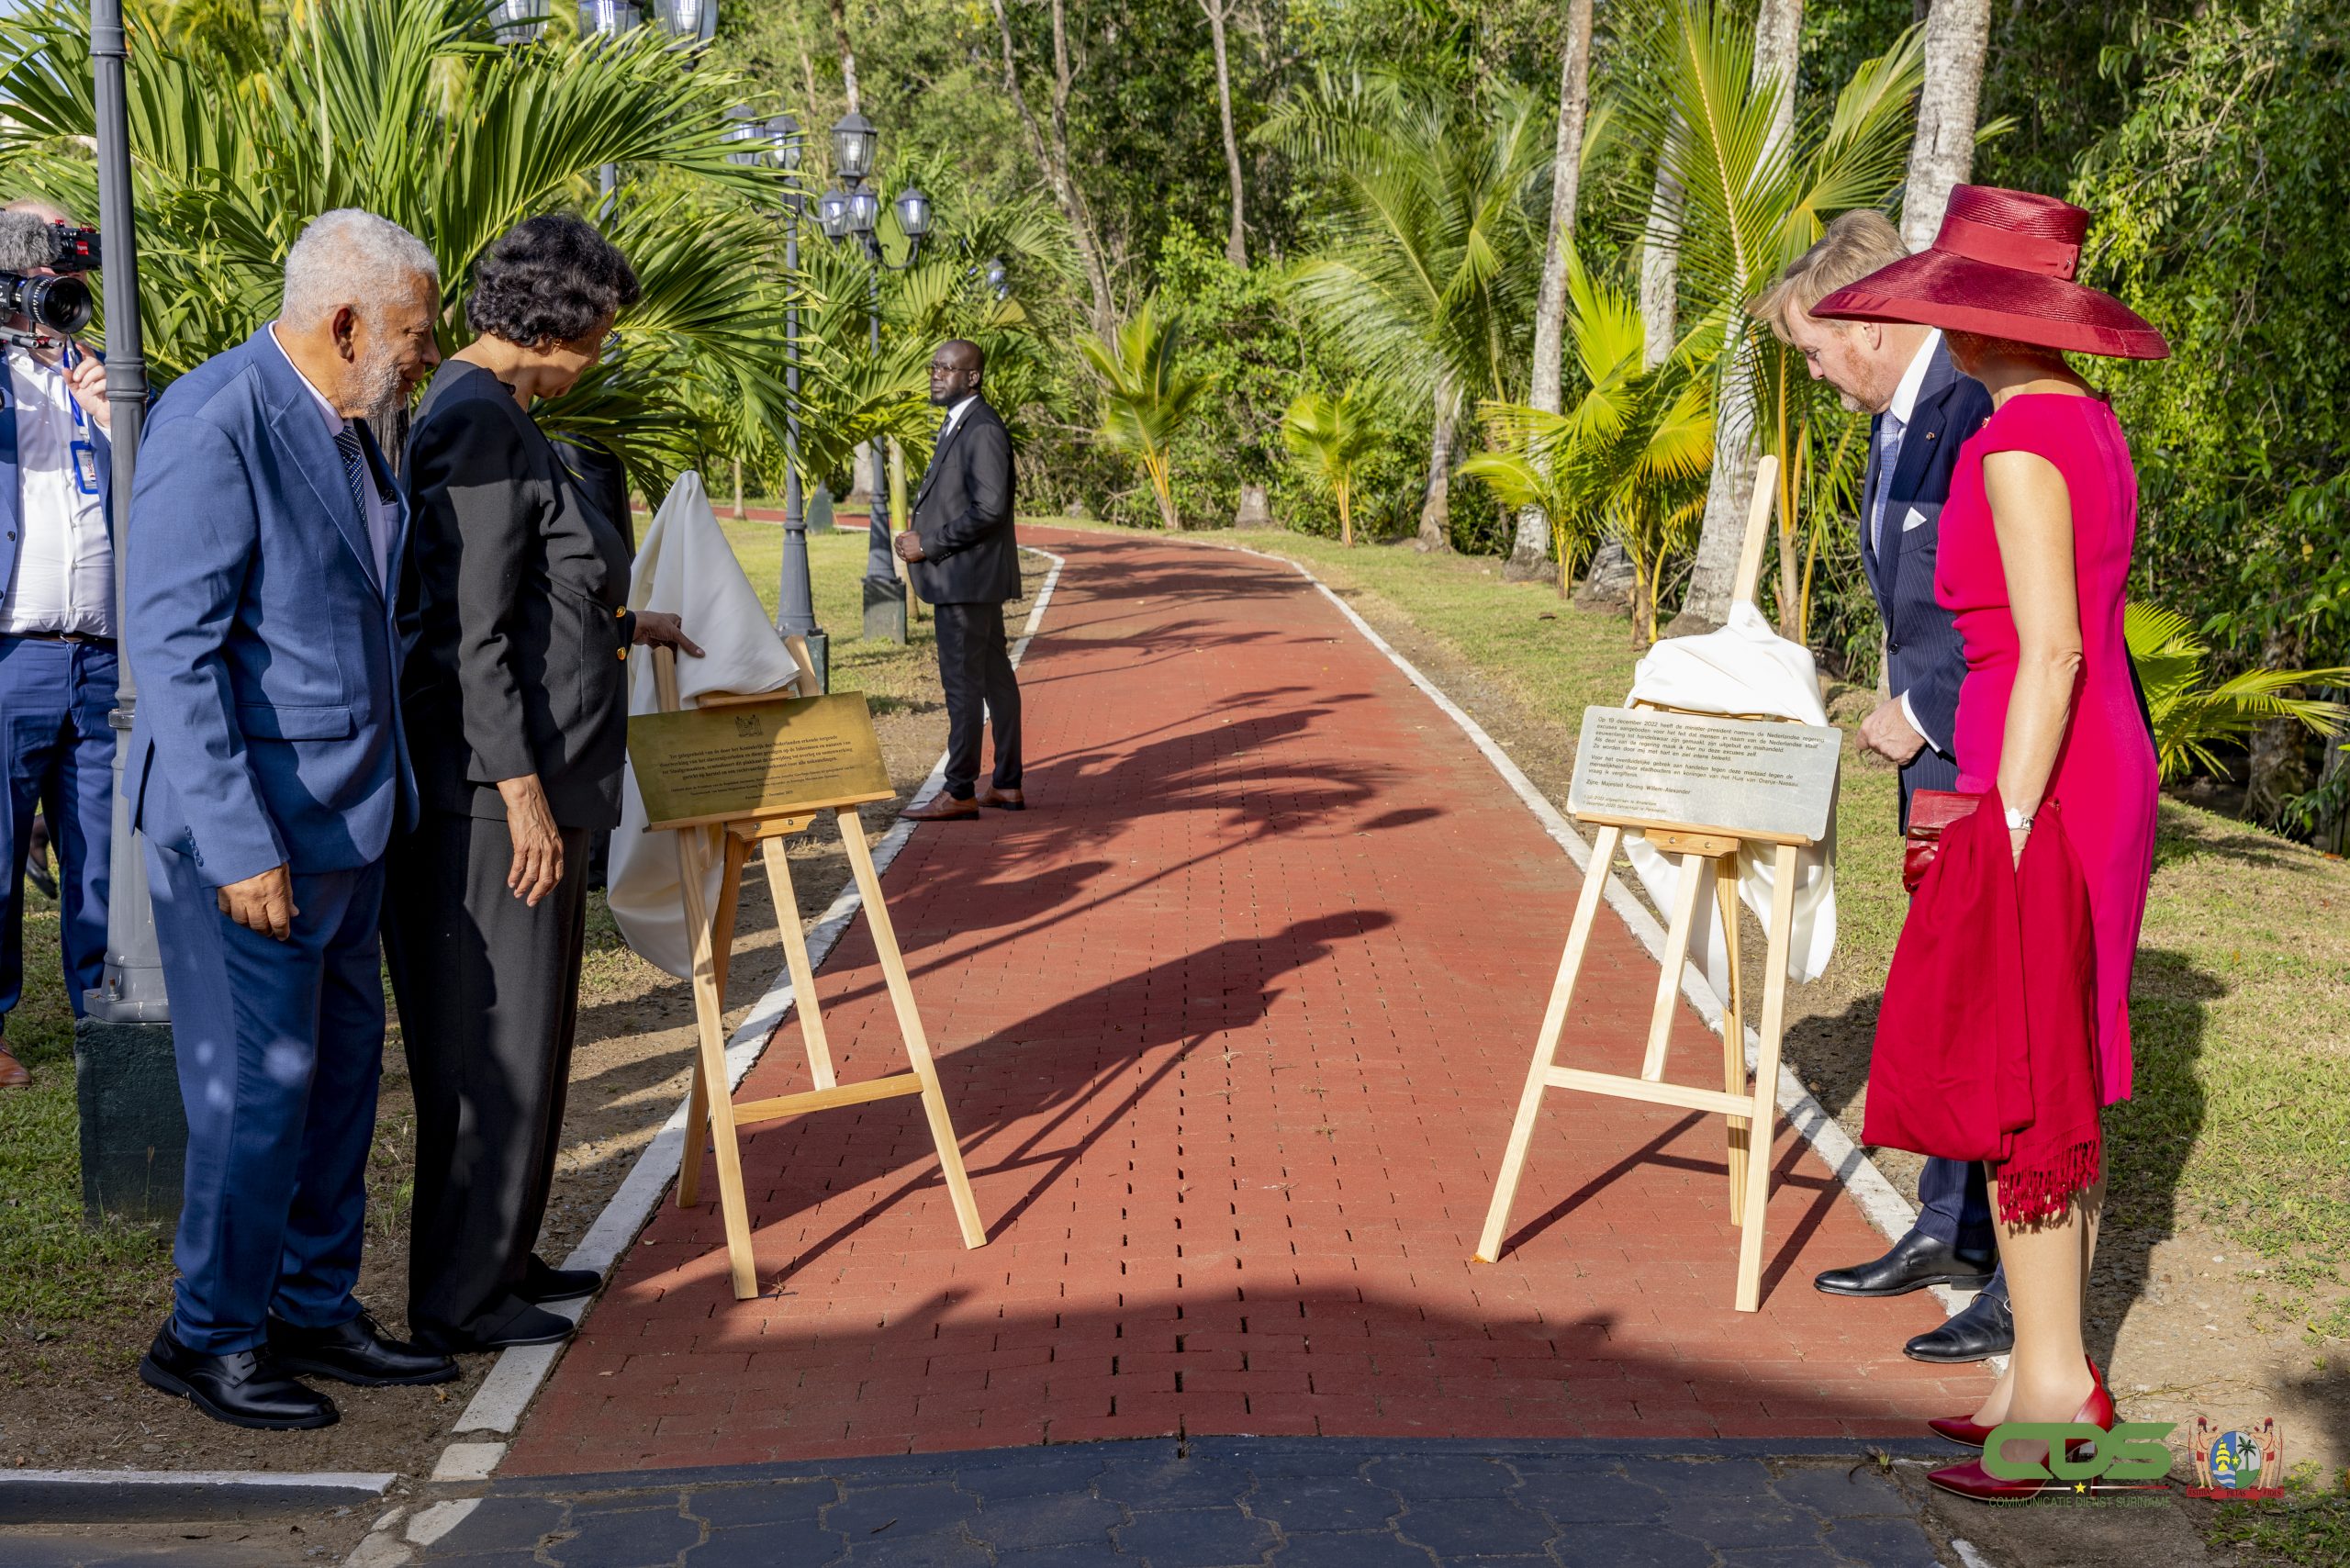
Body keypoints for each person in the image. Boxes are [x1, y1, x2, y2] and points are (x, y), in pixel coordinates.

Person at [1811, 184, 2166, 1501]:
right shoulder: (2084, 419)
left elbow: (2051, 651)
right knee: (2054, 1067)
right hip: (2088, 761)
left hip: (2046, 776)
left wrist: (2003, 822)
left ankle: (2061, 1396)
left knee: (2025, 1076)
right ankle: (2038, 1372)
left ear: (1975, 321)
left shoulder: (2016, 444)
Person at [127, 210, 454, 1429]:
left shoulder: (354, 418)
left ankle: (311, 1305)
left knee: (340, 1083)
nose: (429, 354)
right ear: (347, 323)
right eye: (415, 333)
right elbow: (174, 649)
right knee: (258, 1098)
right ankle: (208, 1335)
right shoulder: (216, 420)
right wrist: (239, 843)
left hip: (349, 824)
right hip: (252, 836)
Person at [387, 215, 699, 1353]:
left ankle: (503, 1256)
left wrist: (626, 623)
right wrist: (519, 791)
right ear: (552, 326)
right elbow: (468, 636)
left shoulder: (504, 415)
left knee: (534, 1032)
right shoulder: (472, 421)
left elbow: (536, 593)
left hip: (540, 784)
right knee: (490, 1052)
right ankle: (458, 1297)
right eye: (599, 331)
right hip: (489, 800)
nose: (602, 353)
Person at [1754, 211, 2014, 1364]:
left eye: (1814, 348)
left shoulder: (1975, 409)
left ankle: (2010, 1271)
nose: (1813, 371)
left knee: (1995, 1005)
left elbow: (2011, 600)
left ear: (1866, 324)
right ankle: (1950, 1226)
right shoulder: (1896, 421)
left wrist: (1926, 707)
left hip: (1980, 748)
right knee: (1949, 990)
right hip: (1930, 762)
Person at [0, 198, 117, 1091]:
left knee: (106, 855)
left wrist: (121, 421)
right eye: (41, 280)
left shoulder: (108, 376)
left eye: (68, 280)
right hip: (12, 656)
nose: (57, 298)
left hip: (106, 657)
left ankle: (108, 1024)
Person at [893, 340, 1023, 821]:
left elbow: (989, 509)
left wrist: (928, 543)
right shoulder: (959, 423)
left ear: (972, 378)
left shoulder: (982, 428)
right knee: (994, 680)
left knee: (963, 685)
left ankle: (960, 789)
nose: (936, 375)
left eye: (947, 368)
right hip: (969, 578)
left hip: (965, 580)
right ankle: (1006, 785)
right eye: (934, 367)